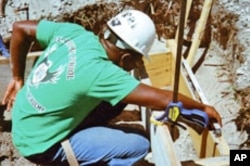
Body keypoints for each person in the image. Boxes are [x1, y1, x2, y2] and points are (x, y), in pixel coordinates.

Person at [1, 9, 221, 166]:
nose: (138, 66)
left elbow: (19, 28)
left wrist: (18, 78)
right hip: (39, 145)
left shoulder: (75, 33)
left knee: (119, 100)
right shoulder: (102, 74)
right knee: (139, 144)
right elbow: (163, 98)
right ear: (125, 58)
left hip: (25, 118)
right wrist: (204, 108)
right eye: (137, 61)